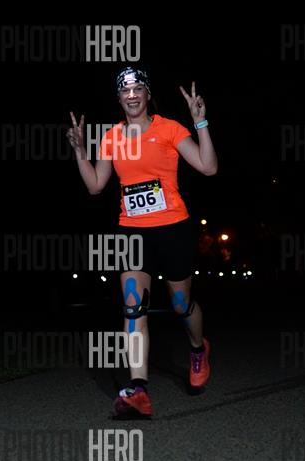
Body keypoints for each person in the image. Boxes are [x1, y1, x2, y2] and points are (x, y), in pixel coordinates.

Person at [67, 67, 218, 418]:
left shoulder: (169, 129)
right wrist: (79, 150)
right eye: (125, 90)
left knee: (181, 304)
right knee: (134, 307)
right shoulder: (111, 137)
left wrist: (200, 122)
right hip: (132, 231)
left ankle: (198, 349)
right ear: (118, 98)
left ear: (148, 94)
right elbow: (95, 185)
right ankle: (139, 389)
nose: (132, 95)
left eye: (138, 88)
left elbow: (208, 167)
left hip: (173, 227)